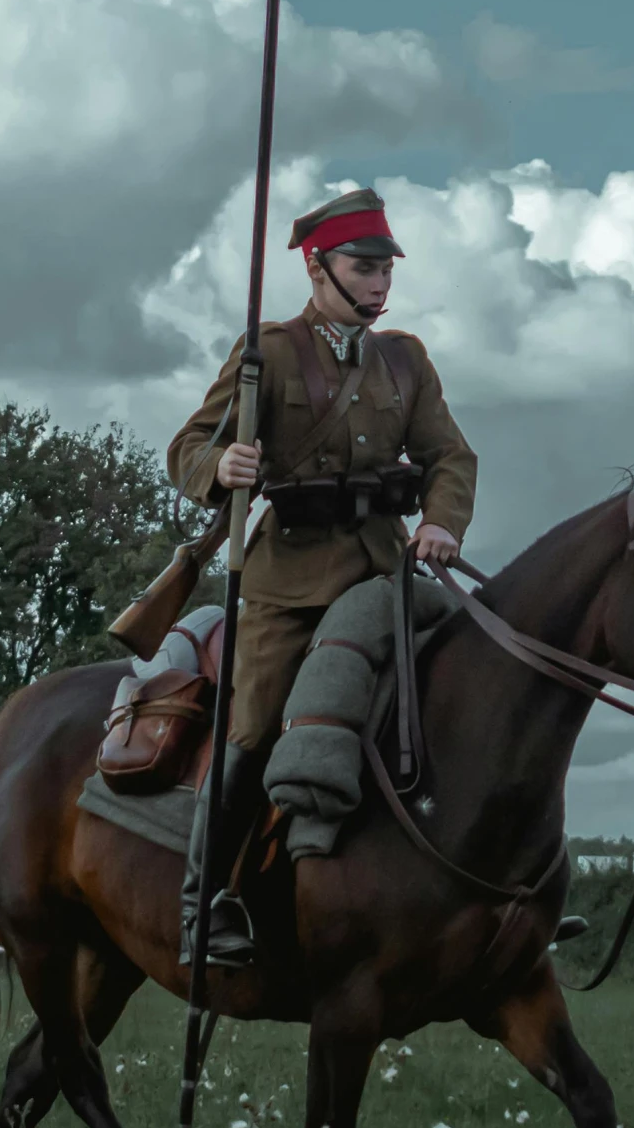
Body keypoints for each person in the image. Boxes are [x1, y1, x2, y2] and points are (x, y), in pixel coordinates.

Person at [167, 186, 476, 967]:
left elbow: (450, 455)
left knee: (469, 693)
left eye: (385, 271)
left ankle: (484, 891)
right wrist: (222, 464)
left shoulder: (406, 360)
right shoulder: (266, 353)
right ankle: (204, 905)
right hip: (289, 582)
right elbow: (187, 449)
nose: (379, 284)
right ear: (318, 267)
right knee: (253, 725)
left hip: (384, 571)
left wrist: (441, 521)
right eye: (363, 268)